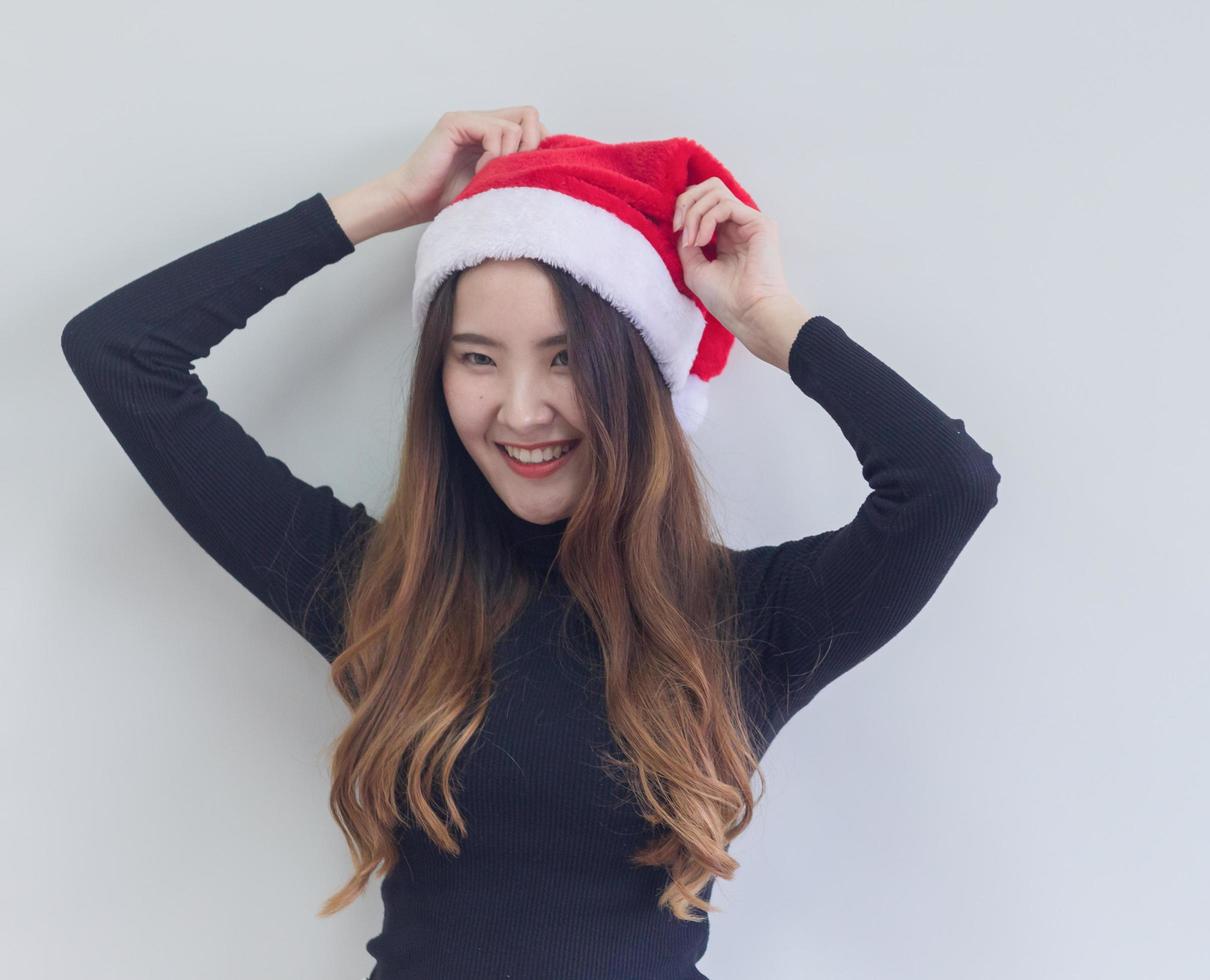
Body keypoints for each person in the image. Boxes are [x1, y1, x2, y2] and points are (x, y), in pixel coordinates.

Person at [60, 106, 1002, 980]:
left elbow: (946, 485)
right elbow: (121, 354)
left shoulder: (740, 621)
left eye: (564, 359)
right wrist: (392, 204)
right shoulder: (380, 594)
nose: (520, 411)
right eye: (477, 357)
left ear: (636, 382)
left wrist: (762, 317)